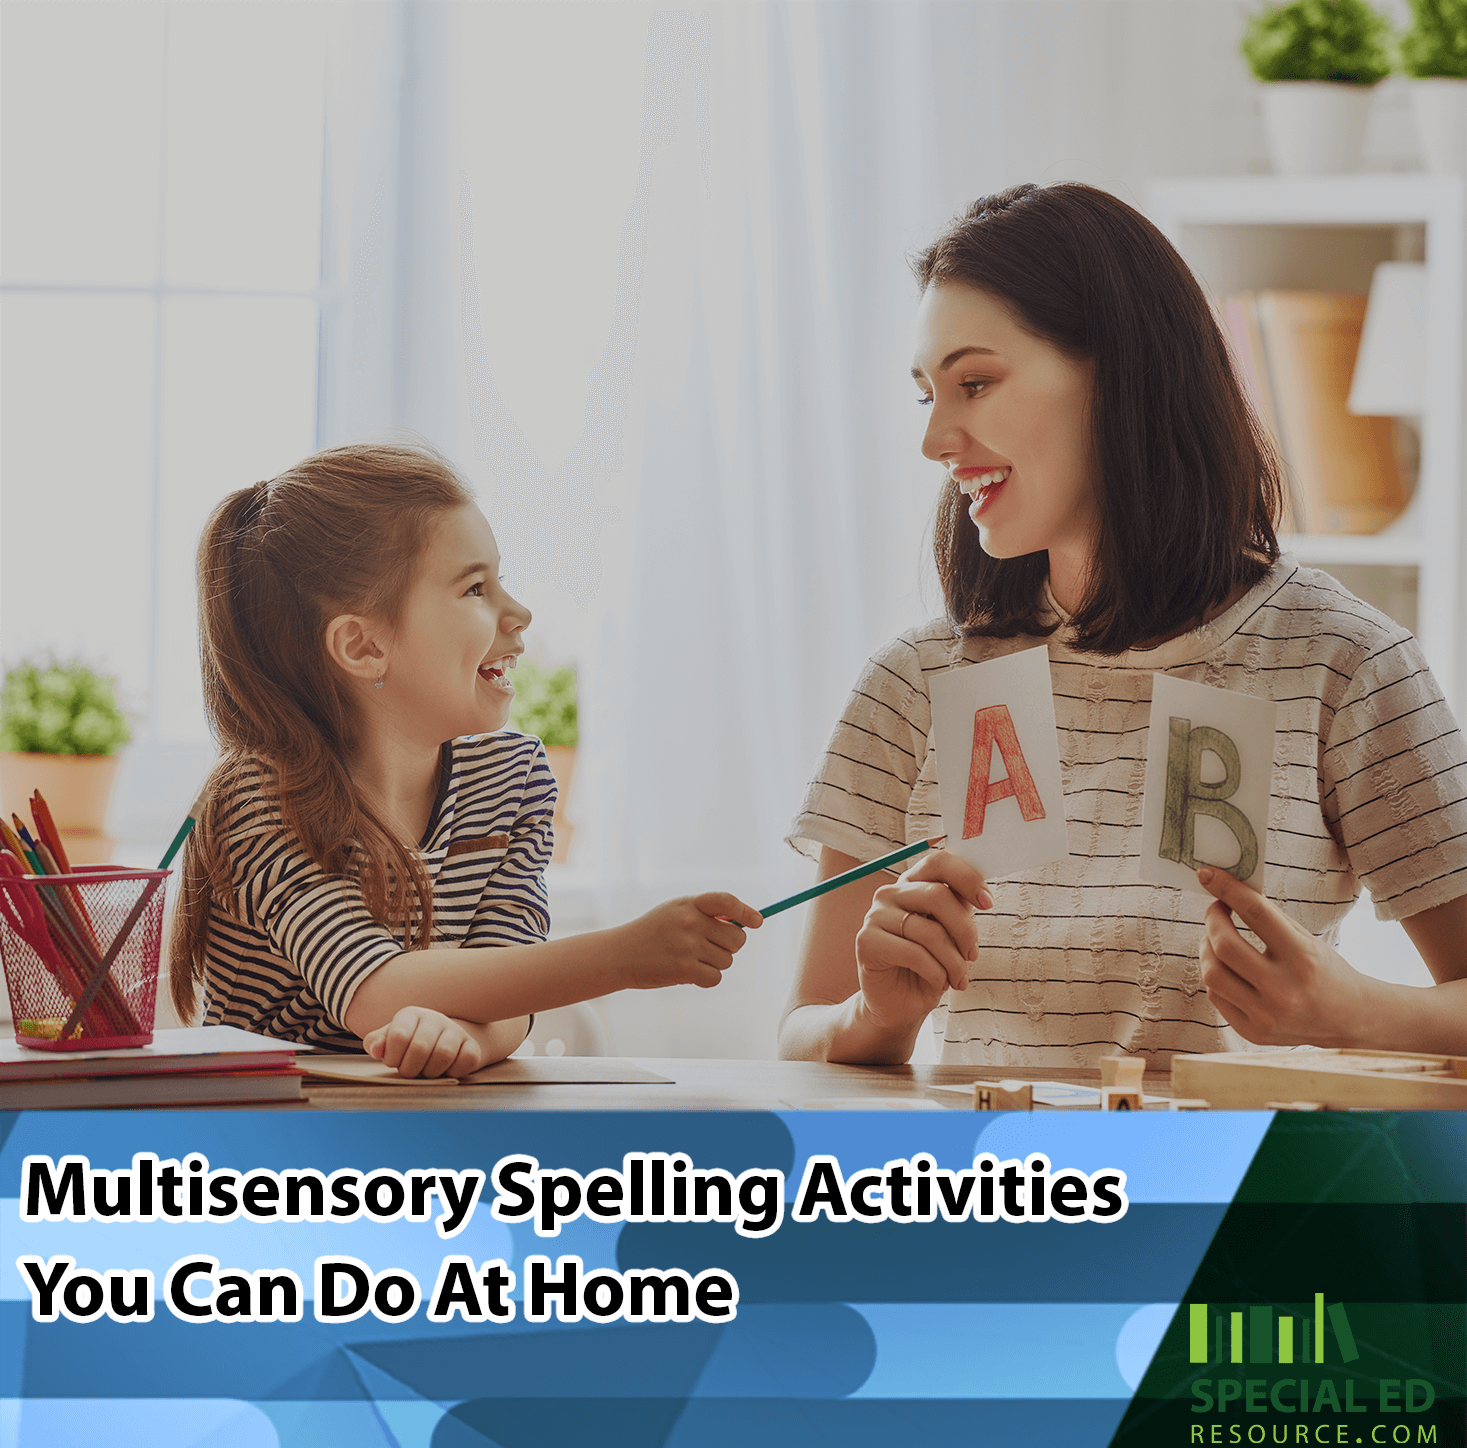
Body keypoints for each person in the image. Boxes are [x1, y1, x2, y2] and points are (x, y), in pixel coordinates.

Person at [779, 182, 1467, 1067]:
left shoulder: (1343, 664)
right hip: (988, 1161)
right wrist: (872, 1017)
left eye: (975, 383)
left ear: (1121, 375)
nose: (935, 438)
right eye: (927, 395)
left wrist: (1354, 1013)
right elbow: (801, 1029)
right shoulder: (912, 683)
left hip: (1240, 1163)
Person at [169, 442, 761, 1077]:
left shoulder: (512, 781)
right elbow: (373, 990)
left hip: (414, 1123)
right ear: (363, 646)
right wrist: (623, 956)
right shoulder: (258, 799)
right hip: (265, 1128)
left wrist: (472, 1040)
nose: (520, 613)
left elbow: (510, 979)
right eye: (476, 588)